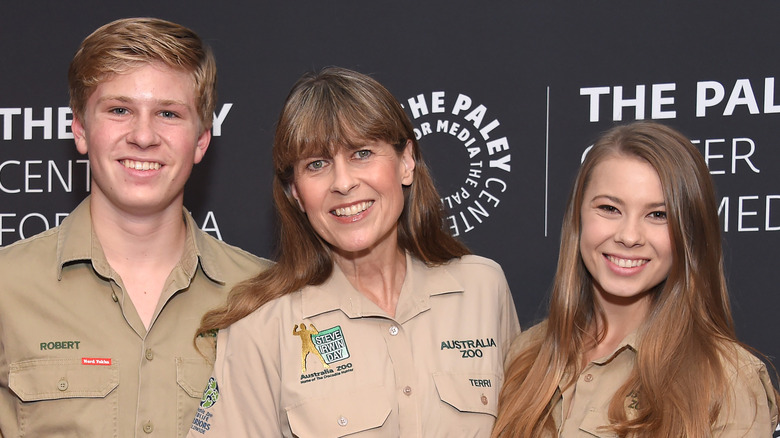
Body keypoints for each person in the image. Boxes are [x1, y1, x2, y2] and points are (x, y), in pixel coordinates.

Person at [187, 66, 521, 437]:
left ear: (406, 162)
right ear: (296, 192)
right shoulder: (261, 327)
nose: (343, 183)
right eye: (317, 164)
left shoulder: (482, 289)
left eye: (362, 153)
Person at [0, 18, 270, 437]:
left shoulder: (264, 295)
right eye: (120, 110)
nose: (143, 136)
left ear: (201, 140)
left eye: (168, 113)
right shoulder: (7, 287)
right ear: (79, 128)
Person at [492, 121, 779, 437]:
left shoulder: (727, 378)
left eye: (658, 215)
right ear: (578, 217)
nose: (629, 236)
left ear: (691, 234)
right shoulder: (524, 354)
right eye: (610, 208)